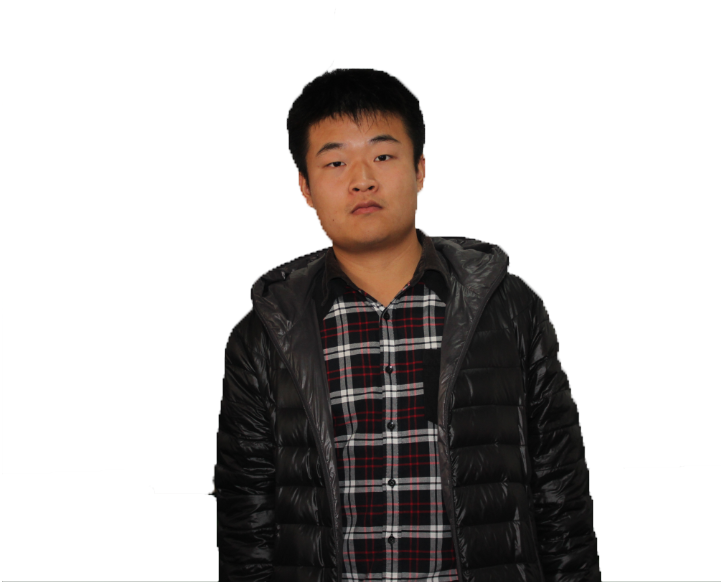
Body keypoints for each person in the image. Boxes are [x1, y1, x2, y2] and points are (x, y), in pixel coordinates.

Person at [213, 68, 601, 582]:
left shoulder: (506, 309)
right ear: (305, 186)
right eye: (335, 162)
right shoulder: (266, 334)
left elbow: (560, 489)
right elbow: (247, 515)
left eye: (383, 156)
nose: (362, 179)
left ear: (419, 169)